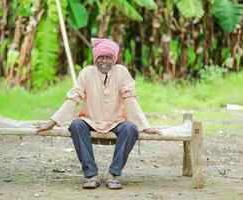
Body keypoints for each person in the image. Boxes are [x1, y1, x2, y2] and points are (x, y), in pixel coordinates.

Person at [35, 38, 159, 190]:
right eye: (100, 57)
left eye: (108, 58)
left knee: (131, 129)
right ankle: (91, 175)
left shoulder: (122, 72)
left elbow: (131, 100)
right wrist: (52, 122)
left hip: (117, 121)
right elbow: (73, 98)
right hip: (90, 120)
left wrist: (145, 126)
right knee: (76, 125)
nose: (104, 61)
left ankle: (113, 175)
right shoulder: (86, 73)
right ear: (95, 59)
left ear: (114, 59)